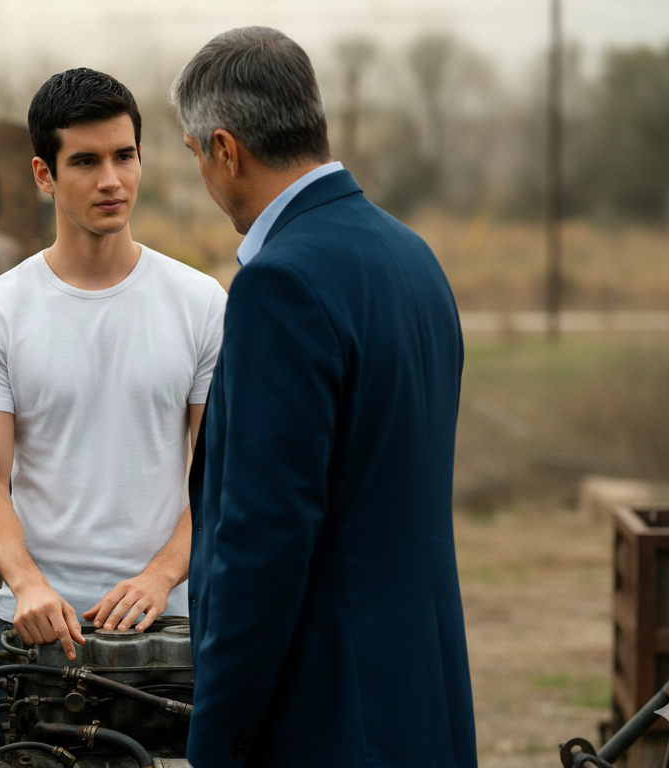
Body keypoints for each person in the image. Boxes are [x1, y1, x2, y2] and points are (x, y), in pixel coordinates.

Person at [171, 27, 477, 767]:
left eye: (194, 154)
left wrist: (215, 747)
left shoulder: (280, 284)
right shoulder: (413, 257)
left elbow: (262, 547)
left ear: (225, 150)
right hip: (424, 702)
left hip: (330, 719)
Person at [0, 68, 226, 666]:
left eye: (124, 156)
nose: (111, 180)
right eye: (84, 161)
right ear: (43, 174)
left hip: (171, 626)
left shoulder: (201, 302)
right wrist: (27, 583)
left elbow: (222, 477)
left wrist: (161, 577)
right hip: (36, 629)